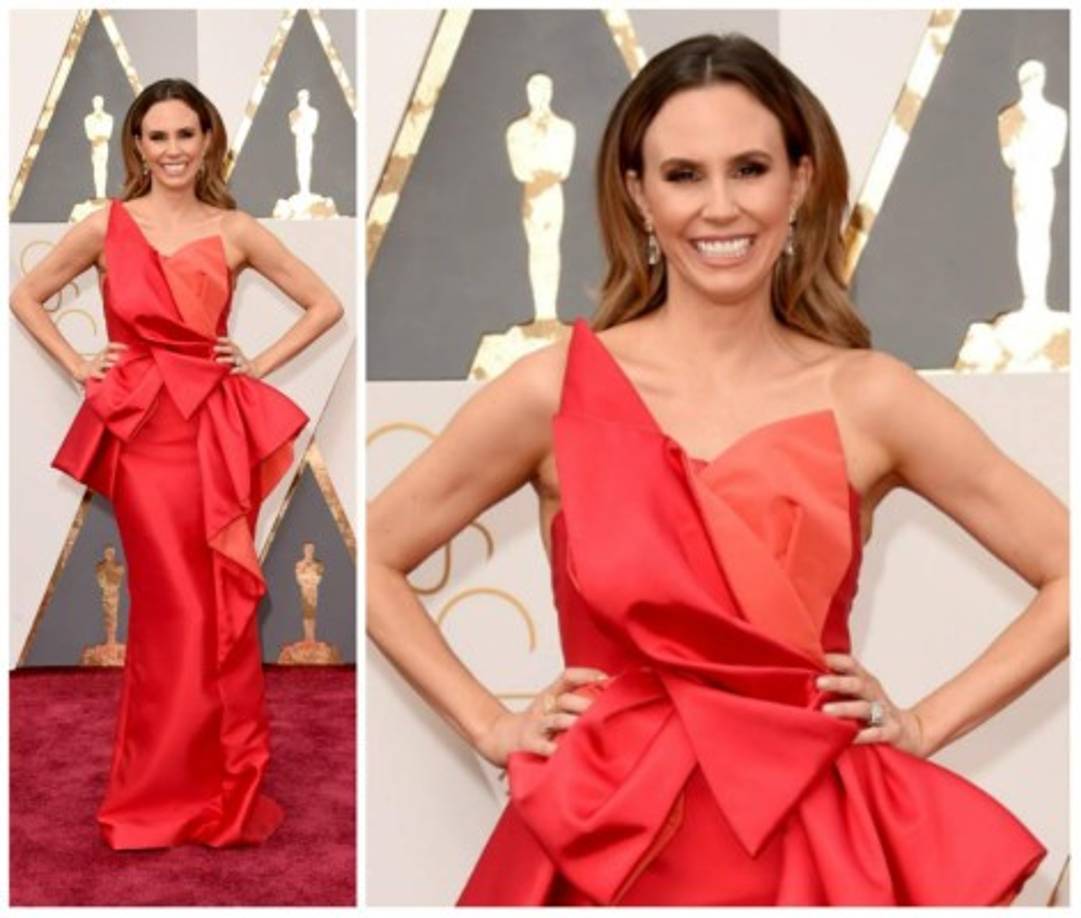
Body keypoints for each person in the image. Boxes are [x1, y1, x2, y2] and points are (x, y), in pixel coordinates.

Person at [366, 34, 1067, 905]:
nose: (720, 207)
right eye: (683, 175)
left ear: (799, 183)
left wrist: (922, 723)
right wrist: (490, 724)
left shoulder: (868, 397)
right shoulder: (555, 390)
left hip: (809, 843)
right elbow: (375, 557)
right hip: (607, 839)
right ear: (637, 194)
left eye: (749, 168)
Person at [10, 78, 343, 849]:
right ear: (136, 145)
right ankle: (156, 791)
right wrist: (76, 364)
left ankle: (221, 786)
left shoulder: (234, 230)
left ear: (208, 142)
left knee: (215, 613)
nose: (172, 151)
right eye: (157, 137)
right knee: (173, 612)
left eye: (185, 136)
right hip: (144, 435)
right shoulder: (106, 224)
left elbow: (325, 303)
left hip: (212, 437)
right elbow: (27, 295)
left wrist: (255, 362)